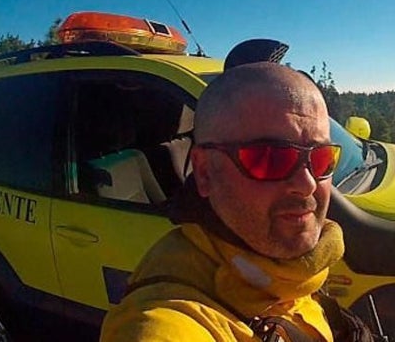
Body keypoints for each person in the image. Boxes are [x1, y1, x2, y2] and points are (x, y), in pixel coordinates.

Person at [100, 62, 349, 341]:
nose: (307, 184)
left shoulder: (292, 271)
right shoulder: (162, 323)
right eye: (270, 159)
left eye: (322, 158)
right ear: (205, 173)